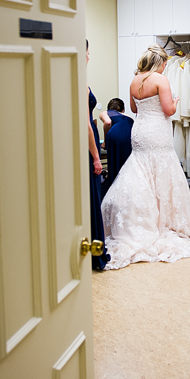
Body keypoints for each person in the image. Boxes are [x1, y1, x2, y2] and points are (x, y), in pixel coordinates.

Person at [100, 44, 190, 269]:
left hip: (140, 131)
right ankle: (163, 221)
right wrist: (176, 103)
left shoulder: (134, 80)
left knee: (140, 169)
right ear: (160, 63)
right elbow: (168, 110)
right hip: (157, 131)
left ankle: (140, 218)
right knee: (163, 168)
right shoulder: (161, 80)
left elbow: (134, 109)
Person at [86, 40, 110, 270]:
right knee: (93, 201)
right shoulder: (79, 85)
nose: (89, 57)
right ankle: (95, 255)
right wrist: (95, 156)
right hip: (87, 145)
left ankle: (90, 253)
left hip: (83, 142)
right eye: (87, 53)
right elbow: (86, 124)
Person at [98, 98, 134, 193]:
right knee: (127, 163)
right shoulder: (128, 116)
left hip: (115, 134)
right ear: (123, 110)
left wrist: (105, 141)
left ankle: (114, 188)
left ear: (108, 108)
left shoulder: (105, 113)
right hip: (130, 135)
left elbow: (108, 122)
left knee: (114, 161)